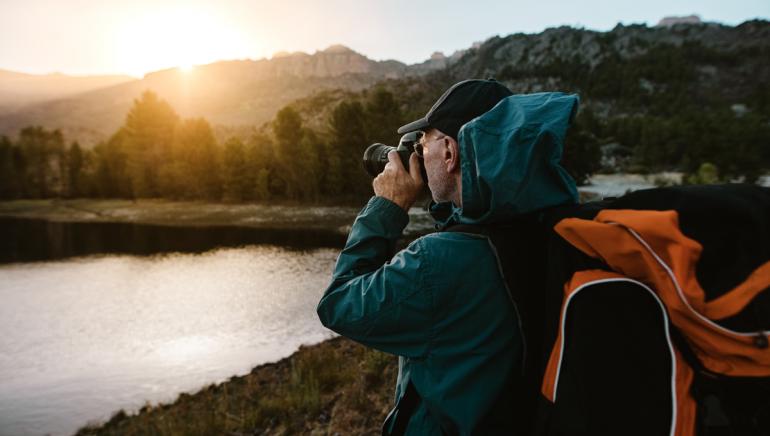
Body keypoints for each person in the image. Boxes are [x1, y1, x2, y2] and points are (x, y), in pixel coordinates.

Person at [317, 79, 580, 435]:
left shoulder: (438, 262)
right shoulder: (550, 229)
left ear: (450, 153)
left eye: (424, 142)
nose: (419, 154)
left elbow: (338, 304)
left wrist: (388, 206)